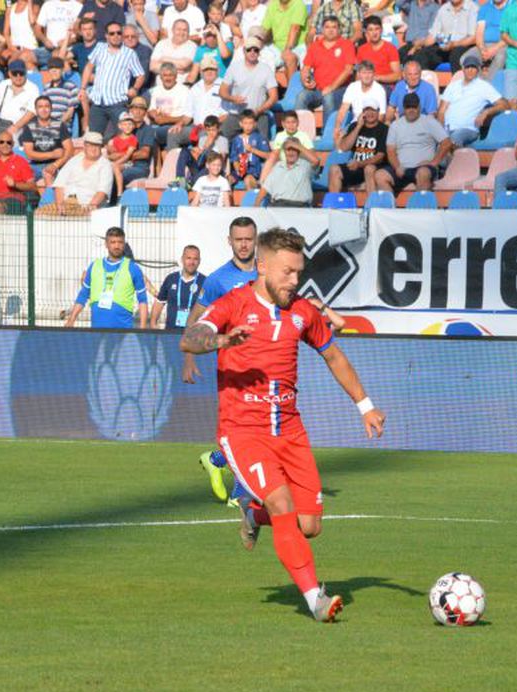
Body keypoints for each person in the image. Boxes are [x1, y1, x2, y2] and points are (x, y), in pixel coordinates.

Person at [180, 226, 387, 622]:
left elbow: (333, 357)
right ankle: (315, 600)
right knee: (281, 502)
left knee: (309, 526)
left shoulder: (303, 312)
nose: (294, 281)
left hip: (290, 432)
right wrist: (222, 341)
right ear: (262, 266)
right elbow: (189, 338)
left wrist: (366, 406)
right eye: (287, 272)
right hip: (242, 431)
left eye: (298, 272)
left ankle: (252, 514)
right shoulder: (233, 304)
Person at [184, 216, 260, 502]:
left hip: (264, 364)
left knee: (258, 431)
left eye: (248, 239)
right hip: (233, 365)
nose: (243, 244)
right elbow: (196, 317)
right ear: (230, 241)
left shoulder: (266, 273)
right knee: (247, 430)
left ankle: (216, 460)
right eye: (238, 239)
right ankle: (240, 495)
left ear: (256, 240)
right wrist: (189, 357)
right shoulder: (218, 280)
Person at [64, 226, 148, 328]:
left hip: (123, 330)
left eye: (120, 242)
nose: (116, 246)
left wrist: (143, 328)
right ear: (106, 244)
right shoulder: (94, 266)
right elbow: (83, 295)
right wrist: (71, 320)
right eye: (113, 242)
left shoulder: (133, 268)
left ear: (124, 244)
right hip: (97, 330)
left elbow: (143, 300)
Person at [374, 92, 450, 192]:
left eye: (414, 107)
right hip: (402, 168)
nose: (411, 110)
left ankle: (420, 202)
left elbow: (446, 143)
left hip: (424, 167)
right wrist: (397, 167)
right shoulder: (395, 125)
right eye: (408, 107)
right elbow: (390, 150)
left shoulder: (429, 122)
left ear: (419, 107)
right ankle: (390, 202)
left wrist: (433, 163)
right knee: (380, 175)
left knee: (423, 173)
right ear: (403, 108)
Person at [82, 21, 147, 137]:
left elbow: (140, 75)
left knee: (123, 136)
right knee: (94, 137)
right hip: (98, 102)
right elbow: (88, 67)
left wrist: (135, 88)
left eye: (119, 33)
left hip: (117, 103)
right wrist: (83, 88)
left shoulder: (129, 53)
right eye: (112, 33)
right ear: (106, 35)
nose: (116, 36)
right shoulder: (99, 47)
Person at [438, 51, 509, 148]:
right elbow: (441, 111)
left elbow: (504, 104)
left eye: (473, 67)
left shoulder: (483, 86)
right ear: (463, 69)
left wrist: (486, 112)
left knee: (452, 140)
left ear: (478, 69)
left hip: (468, 129)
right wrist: (440, 131)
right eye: (467, 67)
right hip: (447, 129)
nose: (470, 70)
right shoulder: (453, 85)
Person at [295, 16, 355, 120]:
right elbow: (305, 68)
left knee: (328, 97)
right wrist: (305, 80)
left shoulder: (347, 44)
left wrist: (332, 87)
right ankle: (301, 128)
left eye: (334, 27)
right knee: (301, 96)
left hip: (340, 89)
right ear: (322, 29)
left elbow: (348, 70)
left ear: (339, 29)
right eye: (327, 27)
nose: (330, 30)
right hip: (318, 89)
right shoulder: (315, 46)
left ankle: (328, 129)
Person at [219, 35, 279, 139]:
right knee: (221, 138)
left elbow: (274, 97)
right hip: (237, 114)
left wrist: (259, 110)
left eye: (256, 50)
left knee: (262, 142)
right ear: (244, 51)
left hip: (258, 115)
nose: (252, 52)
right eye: (249, 49)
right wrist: (232, 98)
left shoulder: (266, 70)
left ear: (259, 52)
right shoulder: (234, 68)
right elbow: (222, 91)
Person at [329, 98, 388, 192]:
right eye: (367, 110)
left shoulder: (384, 129)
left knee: (369, 169)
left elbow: (380, 156)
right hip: (356, 167)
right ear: (363, 112)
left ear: (378, 112)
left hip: (375, 167)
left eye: (373, 110)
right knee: (334, 169)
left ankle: (372, 201)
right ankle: (334, 200)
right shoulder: (355, 126)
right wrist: (358, 127)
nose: (370, 113)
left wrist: (360, 164)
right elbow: (343, 147)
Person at [49, 131, 113, 214]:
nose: (93, 149)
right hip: (66, 203)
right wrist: (59, 205)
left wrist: (90, 207)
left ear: (101, 147)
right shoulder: (74, 160)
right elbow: (59, 185)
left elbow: (102, 191)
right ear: (85, 146)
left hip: (87, 207)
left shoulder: (105, 165)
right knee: (39, 214)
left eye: (97, 146)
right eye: (90, 145)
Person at [416, 0, 482, 74]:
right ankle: (426, 80)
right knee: (422, 54)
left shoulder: (473, 8)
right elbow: (433, 35)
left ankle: (458, 80)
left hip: (464, 46)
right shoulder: (443, 9)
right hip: (445, 45)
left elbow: (473, 38)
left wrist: (453, 44)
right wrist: (420, 44)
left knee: (456, 54)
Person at [151, 244, 206, 329]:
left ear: (199, 261)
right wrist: (153, 323)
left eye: (195, 259)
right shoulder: (171, 279)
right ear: (182, 259)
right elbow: (160, 302)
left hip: (193, 333)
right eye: (188, 258)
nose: (192, 262)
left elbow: (210, 308)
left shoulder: (205, 282)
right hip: (170, 332)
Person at [20, 95, 72, 182]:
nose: (44, 110)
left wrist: (55, 165)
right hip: (35, 166)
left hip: (55, 164)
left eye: (47, 106)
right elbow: (29, 154)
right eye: (40, 107)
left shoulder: (60, 125)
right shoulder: (29, 127)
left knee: (52, 177)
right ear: (36, 110)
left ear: (51, 109)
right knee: (25, 180)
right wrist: (52, 154)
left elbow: (69, 149)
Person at [0, 59, 41, 141]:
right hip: (0, 125)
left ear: (25, 73)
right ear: (9, 74)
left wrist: (15, 127)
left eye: (21, 73)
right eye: (15, 73)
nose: (18, 76)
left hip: (21, 128)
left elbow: (31, 113)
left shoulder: (33, 88)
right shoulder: (3, 85)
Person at [0, 131, 35, 212]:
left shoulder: (21, 161)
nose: (5, 145)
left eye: (8, 142)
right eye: (2, 142)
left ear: (13, 144)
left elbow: (32, 186)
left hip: (14, 201)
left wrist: (15, 184)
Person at [357, 15, 401, 92]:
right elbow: (358, 75)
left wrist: (378, 78)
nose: (374, 33)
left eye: (377, 29)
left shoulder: (390, 48)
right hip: (365, 85)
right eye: (370, 30)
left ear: (381, 30)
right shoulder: (361, 49)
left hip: (385, 86)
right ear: (366, 32)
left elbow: (397, 76)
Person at [229, 109, 271, 188]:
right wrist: (238, 169)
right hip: (240, 169)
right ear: (241, 124)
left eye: (250, 123)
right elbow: (234, 159)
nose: (248, 126)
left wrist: (252, 150)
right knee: (227, 180)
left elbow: (268, 156)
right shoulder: (236, 139)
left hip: (253, 170)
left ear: (255, 124)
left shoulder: (259, 138)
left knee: (248, 180)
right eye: (245, 123)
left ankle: (252, 195)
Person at [107, 111, 139, 193]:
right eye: (124, 124)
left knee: (116, 167)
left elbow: (127, 156)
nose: (127, 127)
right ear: (119, 126)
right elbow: (110, 152)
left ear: (133, 126)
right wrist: (110, 157)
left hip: (127, 163)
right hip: (115, 160)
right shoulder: (115, 139)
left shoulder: (133, 139)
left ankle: (119, 193)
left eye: (130, 124)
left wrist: (116, 163)